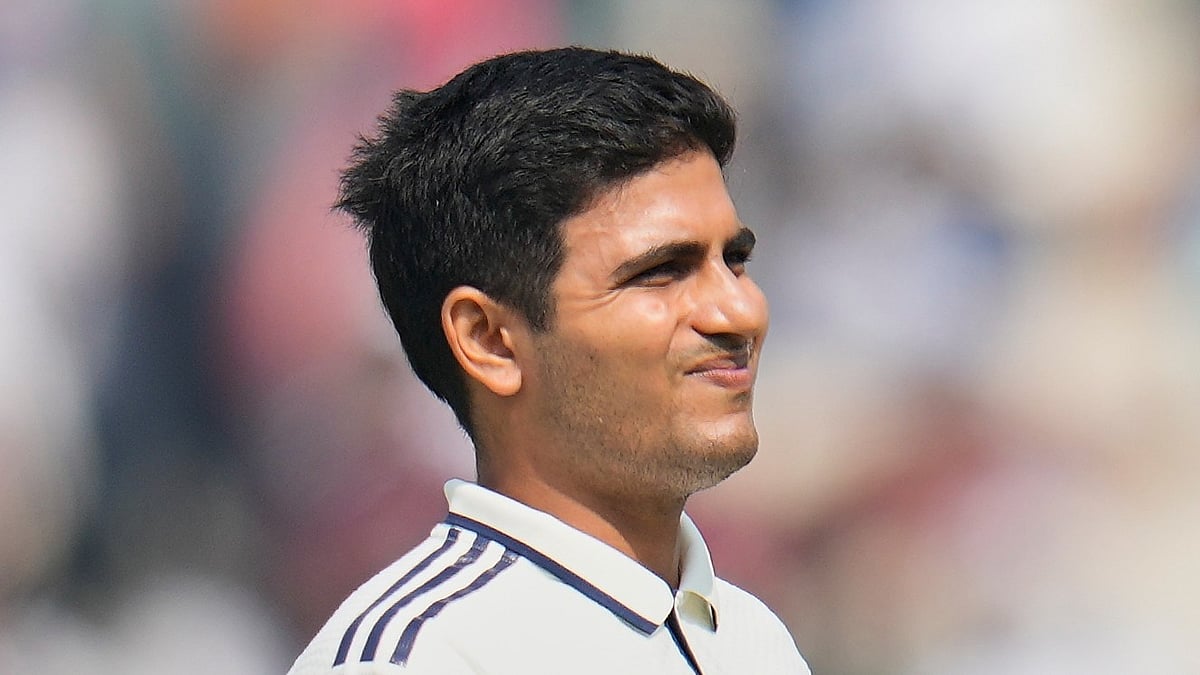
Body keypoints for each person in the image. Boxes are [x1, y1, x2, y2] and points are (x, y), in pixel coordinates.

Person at [287, 46, 810, 674]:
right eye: (662, 271)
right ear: (489, 340)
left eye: (735, 260)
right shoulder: (421, 658)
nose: (740, 312)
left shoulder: (756, 642)